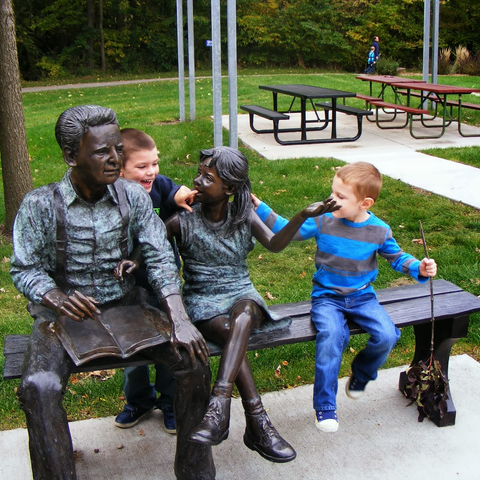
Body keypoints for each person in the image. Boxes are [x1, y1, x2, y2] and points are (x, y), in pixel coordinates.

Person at [10, 105, 214, 480]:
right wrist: (54, 296)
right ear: (71, 156)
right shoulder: (39, 205)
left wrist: (180, 318)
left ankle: (195, 472)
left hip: (127, 306)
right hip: (62, 318)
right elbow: (24, 269)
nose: (115, 159)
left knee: (194, 359)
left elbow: (159, 255)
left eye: (118, 149)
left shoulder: (133, 197)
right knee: (39, 386)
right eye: (102, 152)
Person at [164, 146, 339, 463]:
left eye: (208, 177)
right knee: (234, 332)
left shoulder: (243, 216)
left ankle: (219, 405)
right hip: (202, 300)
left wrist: (302, 215)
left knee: (243, 315)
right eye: (200, 173)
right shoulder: (181, 222)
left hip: (242, 293)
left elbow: (274, 244)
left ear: (228, 188)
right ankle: (258, 423)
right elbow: (152, 256)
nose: (197, 180)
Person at [253, 161, 437, 434]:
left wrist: (419, 268)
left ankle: (361, 374)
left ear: (365, 203)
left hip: (362, 297)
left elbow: (397, 258)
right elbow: (285, 229)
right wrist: (259, 206)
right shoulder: (323, 218)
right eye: (332, 192)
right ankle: (325, 406)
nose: (331, 200)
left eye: (340, 197)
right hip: (327, 298)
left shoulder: (379, 230)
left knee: (387, 336)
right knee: (331, 339)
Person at [114, 128, 196, 434]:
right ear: (120, 169)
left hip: (163, 285)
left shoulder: (158, 186)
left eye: (155, 163)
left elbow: (175, 193)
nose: (151, 172)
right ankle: (138, 400)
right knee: (134, 350)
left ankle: (169, 401)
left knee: (169, 344)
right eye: (142, 166)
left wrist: (182, 194)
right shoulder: (115, 195)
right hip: (130, 288)